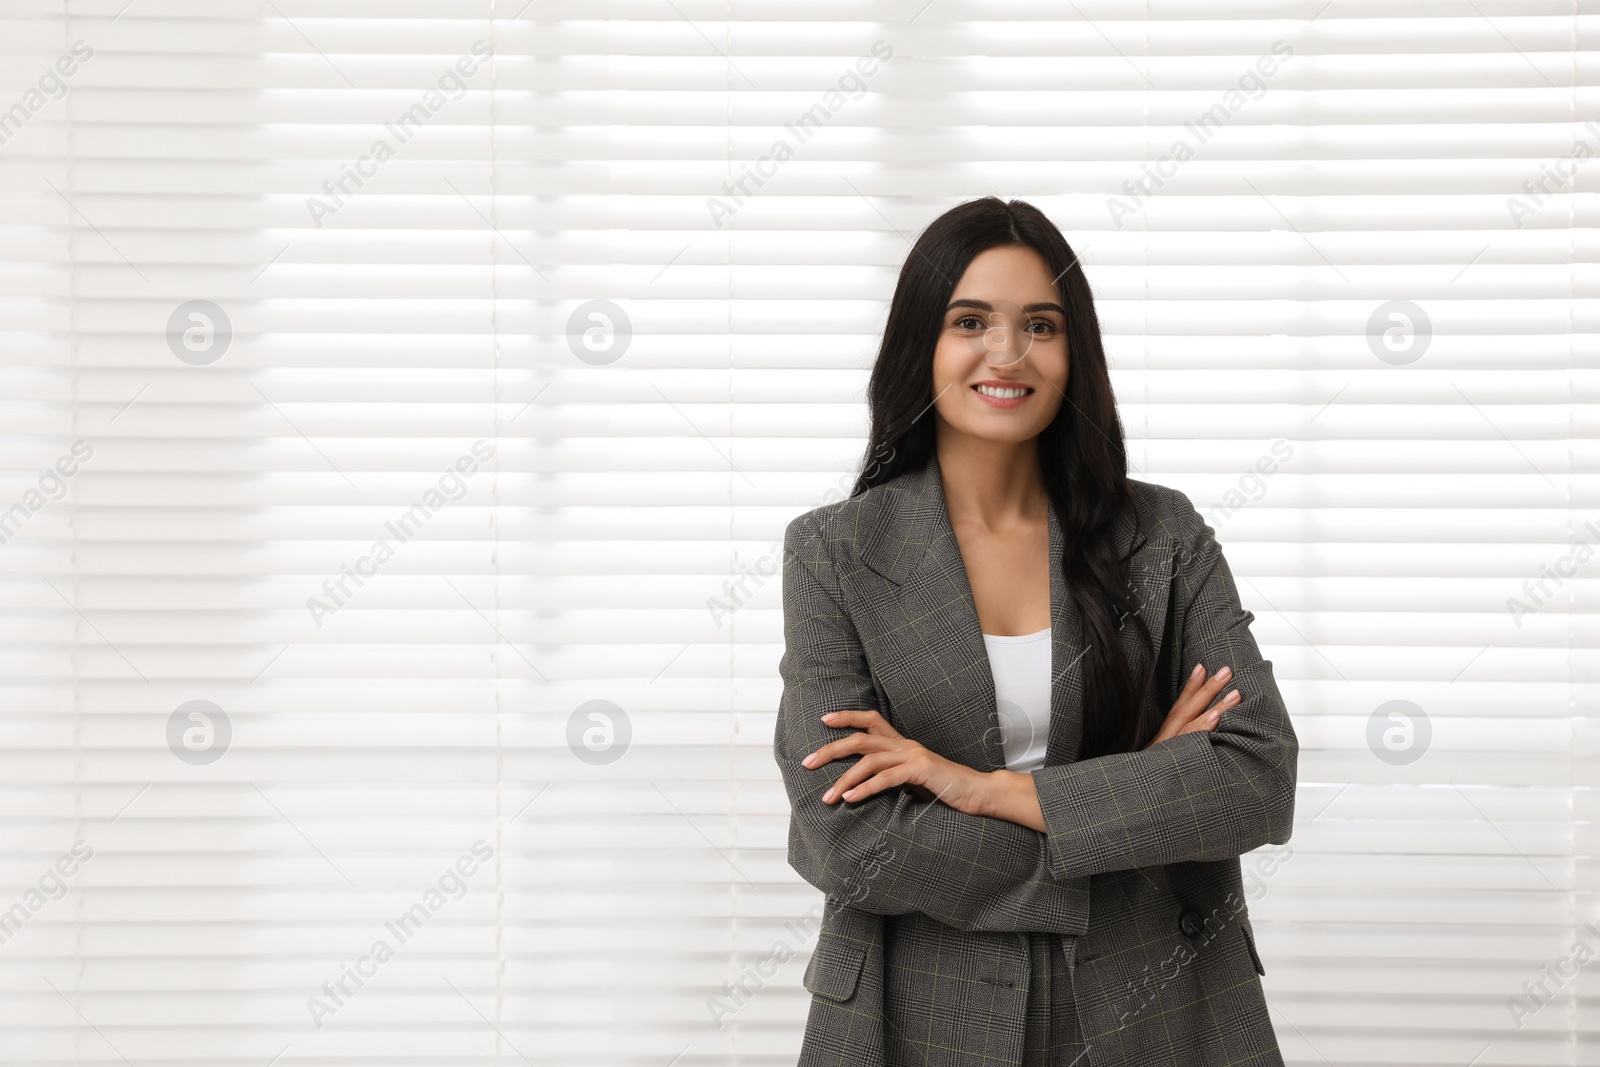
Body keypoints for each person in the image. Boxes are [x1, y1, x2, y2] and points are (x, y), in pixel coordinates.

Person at [773, 196, 1298, 1066]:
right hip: (915, 1007)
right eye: (970, 319)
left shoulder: (1163, 536)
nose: (1007, 353)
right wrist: (1135, 802)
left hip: (1159, 999)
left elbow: (1256, 775)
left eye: (1041, 325)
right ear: (921, 345)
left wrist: (982, 788)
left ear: (1074, 351)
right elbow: (850, 841)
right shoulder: (834, 551)